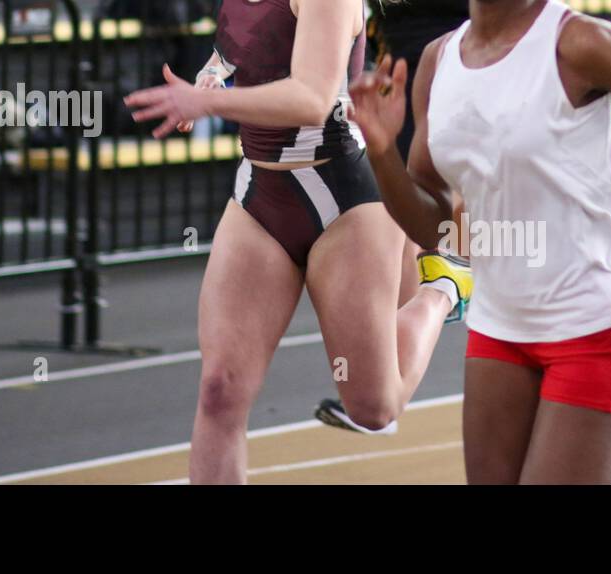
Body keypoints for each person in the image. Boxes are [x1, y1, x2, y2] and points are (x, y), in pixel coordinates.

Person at [350, 0, 611, 483]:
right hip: (500, 323)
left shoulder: (578, 43)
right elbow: (437, 229)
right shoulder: (437, 61)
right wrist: (383, 151)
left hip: (598, 318)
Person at [123, 0, 472, 484]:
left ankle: (445, 288)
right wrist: (210, 76)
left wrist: (208, 103)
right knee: (220, 390)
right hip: (260, 194)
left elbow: (310, 97)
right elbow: (239, 45)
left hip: (345, 198)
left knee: (374, 409)